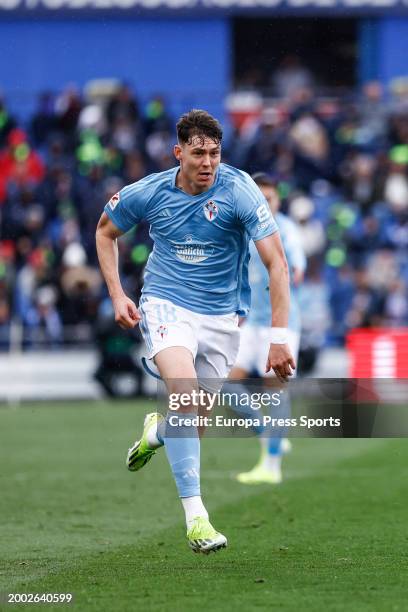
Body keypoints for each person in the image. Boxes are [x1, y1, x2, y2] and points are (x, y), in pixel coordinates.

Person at [95, 110, 294, 554]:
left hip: (223, 318)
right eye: (199, 153)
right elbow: (105, 232)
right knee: (184, 394)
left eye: (215, 154)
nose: (207, 163)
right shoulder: (149, 191)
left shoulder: (240, 189)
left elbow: (277, 263)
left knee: (191, 420)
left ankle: (157, 433)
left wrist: (280, 339)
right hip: (166, 303)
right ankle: (197, 519)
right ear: (178, 152)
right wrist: (116, 293)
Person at [228, 173, 306, 485]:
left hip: (281, 324)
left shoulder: (285, 230)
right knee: (225, 383)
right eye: (259, 198)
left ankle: (271, 466)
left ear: (278, 201)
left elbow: (295, 271)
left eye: (269, 198)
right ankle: (267, 432)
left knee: (275, 389)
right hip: (251, 322)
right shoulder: (244, 230)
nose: (264, 204)